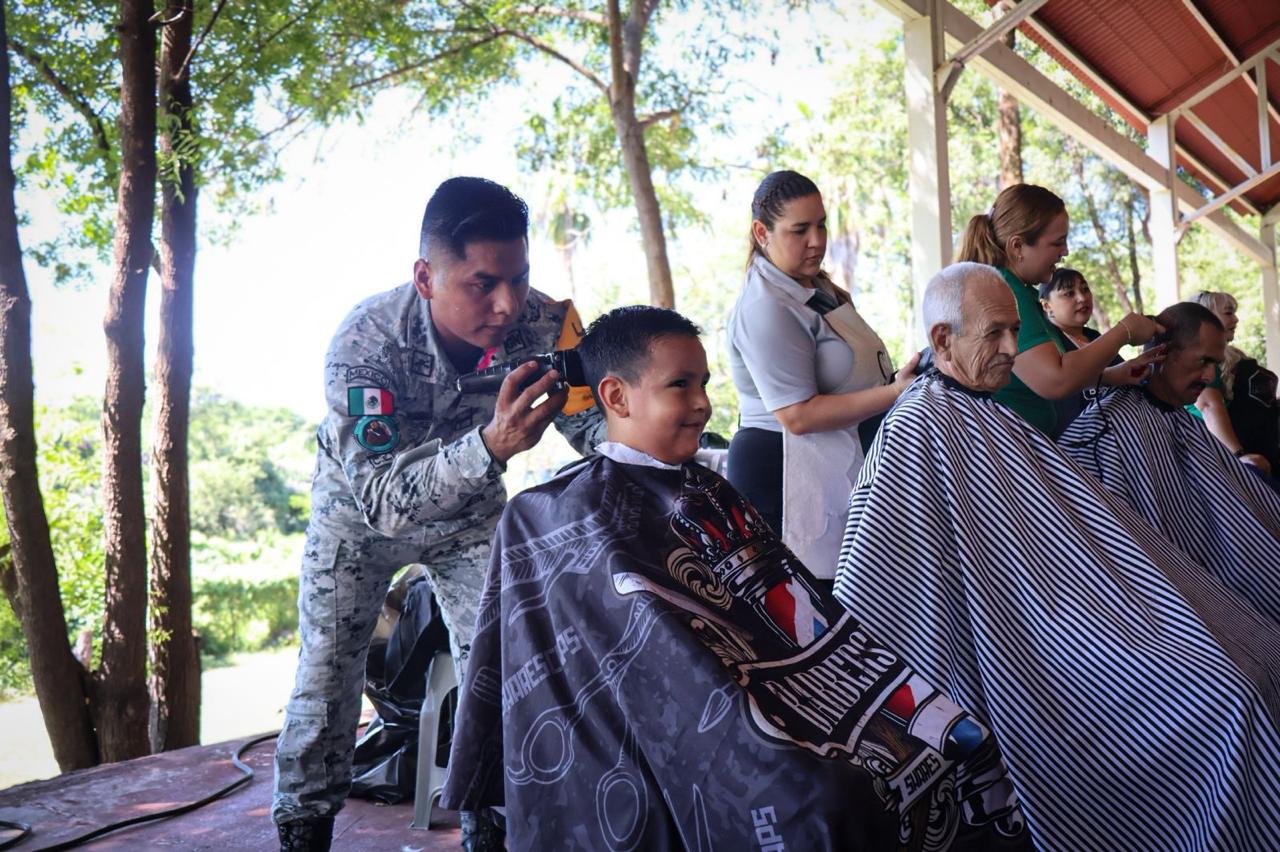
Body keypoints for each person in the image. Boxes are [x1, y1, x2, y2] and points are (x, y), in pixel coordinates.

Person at [443, 306, 1030, 851]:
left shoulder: (707, 487)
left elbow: (787, 612)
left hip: (779, 694)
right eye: (680, 385)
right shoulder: (560, 513)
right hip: (681, 727)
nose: (703, 404)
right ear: (616, 396)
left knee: (960, 741)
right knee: (819, 798)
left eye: (703, 383)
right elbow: (663, 668)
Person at [834, 262, 1280, 851]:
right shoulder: (919, 429)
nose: (1011, 349)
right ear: (942, 339)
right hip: (1031, 647)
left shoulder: (990, 413)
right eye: (995, 333)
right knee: (1224, 700)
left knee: (1259, 651)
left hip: (1078, 615)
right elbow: (879, 589)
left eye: (1015, 331)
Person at [272, 177, 605, 851]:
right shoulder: (366, 343)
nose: (507, 304)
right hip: (360, 520)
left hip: (470, 517)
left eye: (519, 277)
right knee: (326, 678)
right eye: (482, 284)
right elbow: (385, 503)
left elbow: (595, 427)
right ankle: (303, 832)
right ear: (426, 276)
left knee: (503, 671)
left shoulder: (544, 326)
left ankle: (493, 833)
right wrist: (492, 446)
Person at [726, 170, 918, 580]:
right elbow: (798, 415)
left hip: (834, 462)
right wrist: (894, 394)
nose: (817, 241)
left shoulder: (816, 288)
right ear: (761, 232)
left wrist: (896, 381)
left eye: (822, 225)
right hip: (782, 474)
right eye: (800, 230)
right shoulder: (766, 306)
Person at [1058, 301, 1280, 621]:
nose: (1209, 376)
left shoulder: (1181, 420)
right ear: (1161, 353)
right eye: (1203, 361)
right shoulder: (1104, 430)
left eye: (1215, 365)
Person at [955, 184, 1161, 436]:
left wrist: (1108, 376)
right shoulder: (1004, 290)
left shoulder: (1018, 290)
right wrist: (1124, 332)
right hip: (1006, 445)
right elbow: (1054, 379)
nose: (1065, 252)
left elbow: (1033, 374)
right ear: (1017, 246)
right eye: (1057, 243)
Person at [1188, 290, 1277, 473]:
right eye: (1228, 313)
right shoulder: (1200, 358)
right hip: (1214, 457)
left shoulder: (1232, 358)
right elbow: (1208, 405)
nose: (1236, 319)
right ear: (1206, 317)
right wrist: (1238, 456)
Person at [1037, 267, 1131, 428]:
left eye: (1085, 289)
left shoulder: (1096, 337)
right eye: (1069, 293)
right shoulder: (1048, 346)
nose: (1082, 298)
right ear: (1047, 305)